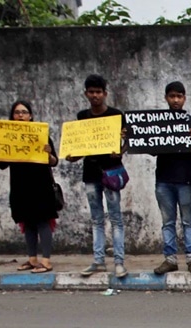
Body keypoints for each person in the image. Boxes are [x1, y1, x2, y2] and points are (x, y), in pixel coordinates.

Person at [67, 74, 125, 278]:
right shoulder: (82, 117)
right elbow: (79, 148)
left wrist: (120, 151)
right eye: (91, 92)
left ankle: (119, 262)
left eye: (98, 92)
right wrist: (71, 156)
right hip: (90, 174)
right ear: (86, 94)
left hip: (111, 172)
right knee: (97, 219)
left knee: (116, 218)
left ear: (105, 94)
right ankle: (98, 261)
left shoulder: (117, 115)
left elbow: (126, 141)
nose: (95, 95)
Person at [0, 100, 60, 274]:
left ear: (30, 116)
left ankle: (46, 260)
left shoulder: (41, 135)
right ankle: (32, 259)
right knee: (27, 222)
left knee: (43, 222)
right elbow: (1, 164)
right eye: (17, 112)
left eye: (24, 112)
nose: (20, 115)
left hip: (41, 185)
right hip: (20, 186)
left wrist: (48, 153)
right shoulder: (7, 138)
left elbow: (54, 162)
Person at [152, 81, 191, 276]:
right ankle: (170, 259)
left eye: (179, 96)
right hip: (163, 179)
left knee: (188, 220)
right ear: (166, 98)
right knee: (167, 221)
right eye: (172, 96)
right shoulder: (157, 123)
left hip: (186, 179)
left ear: (184, 98)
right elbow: (148, 147)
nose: (175, 100)